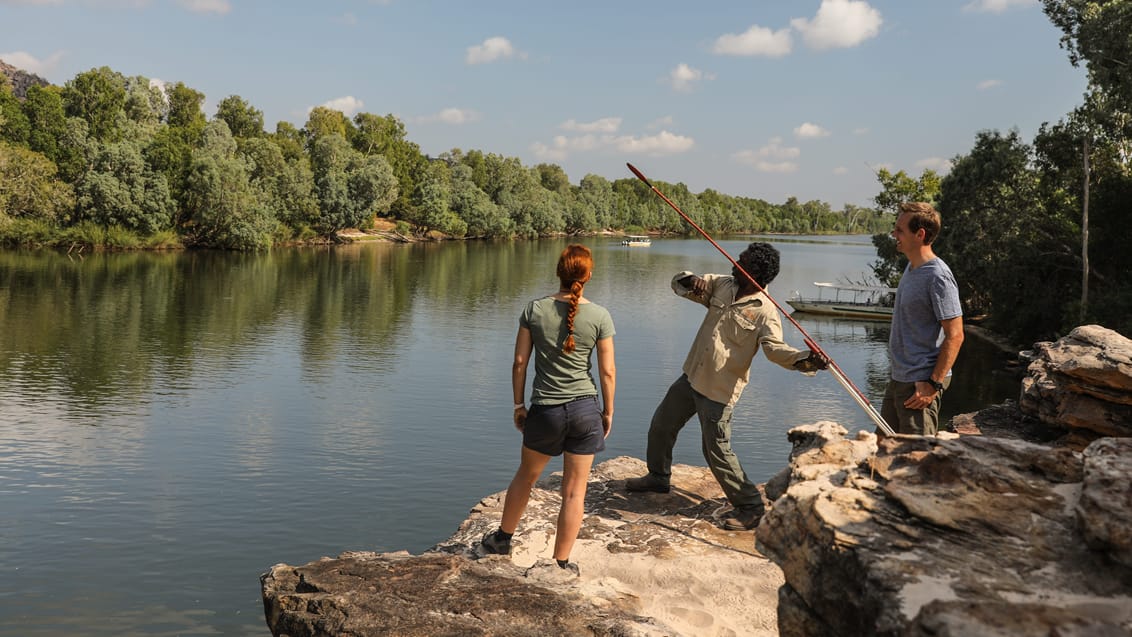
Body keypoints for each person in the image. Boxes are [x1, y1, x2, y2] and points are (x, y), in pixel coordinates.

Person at [625, 242, 827, 531]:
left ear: (755, 271)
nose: (734, 261)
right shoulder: (722, 285)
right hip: (692, 376)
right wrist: (689, 279)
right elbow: (679, 284)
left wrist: (807, 359)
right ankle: (658, 478)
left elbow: (775, 351)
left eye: (741, 260)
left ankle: (750, 506)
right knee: (661, 425)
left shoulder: (766, 312)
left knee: (715, 450)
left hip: (720, 390)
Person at [480, 244, 616, 574]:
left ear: (559, 271)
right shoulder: (600, 316)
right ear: (589, 275)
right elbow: (608, 372)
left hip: (546, 411)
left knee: (526, 477)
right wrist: (607, 412)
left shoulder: (534, 310)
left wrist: (518, 404)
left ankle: (502, 539)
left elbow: (519, 363)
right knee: (573, 492)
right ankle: (561, 563)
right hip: (586, 411)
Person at [882, 202, 964, 435]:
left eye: (900, 230)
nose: (894, 234)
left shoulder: (937, 276)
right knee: (883, 447)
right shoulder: (912, 267)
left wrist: (933, 385)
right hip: (900, 378)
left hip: (919, 384)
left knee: (916, 460)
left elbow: (955, 335)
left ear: (920, 235)